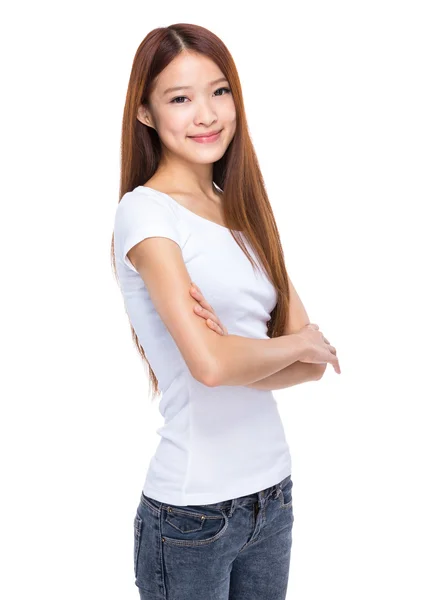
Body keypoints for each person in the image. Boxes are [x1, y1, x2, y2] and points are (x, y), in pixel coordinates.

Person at [112, 23, 340, 600]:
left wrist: (252, 352)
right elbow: (213, 366)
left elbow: (313, 367)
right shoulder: (146, 215)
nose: (207, 114)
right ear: (146, 113)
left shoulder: (240, 209)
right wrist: (291, 345)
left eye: (219, 91)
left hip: (273, 497)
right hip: (193, 518)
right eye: (180, 98)